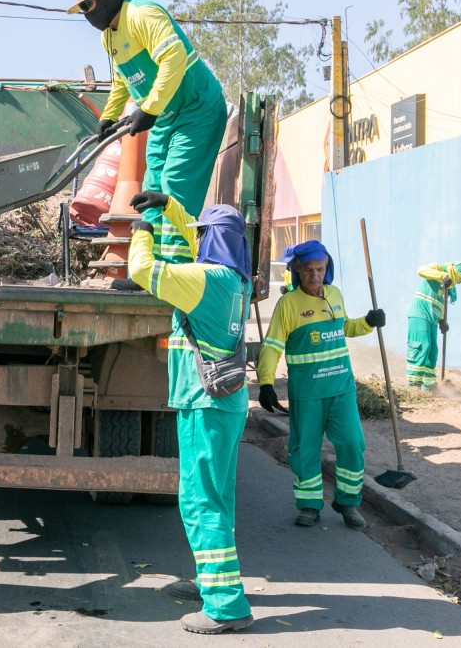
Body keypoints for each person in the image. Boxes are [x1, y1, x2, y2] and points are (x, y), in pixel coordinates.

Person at [127, 191, 254, 635]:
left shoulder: (203, 280)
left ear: (212, 240)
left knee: (200, 501)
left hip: (203, 403)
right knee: (218, 498)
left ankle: (225, 605)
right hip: (226, 404)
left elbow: (141, 270)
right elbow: (202, 238)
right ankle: (213, 582)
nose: (196, 241)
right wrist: (169, 206)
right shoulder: (238, 279)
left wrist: (141, 232)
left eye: (202, 235)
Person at [69, 0, 227, 265]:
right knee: (151, 189)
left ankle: (175, 268)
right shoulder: (109, 37)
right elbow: (123, 79)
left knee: (175, 184)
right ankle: (149, 268)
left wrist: (150, 108)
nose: (86, 14)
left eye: (87, 6)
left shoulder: (142, 14)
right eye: (82, 9)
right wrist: (109, 116)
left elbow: (174, 57)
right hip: (165, 117)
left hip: (197, 109)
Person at [256, 241, 384, 530]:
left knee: (352, 443)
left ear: (327, 269)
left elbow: (344, 327)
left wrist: (367, 322)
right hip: (307, 394)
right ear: (297, 271)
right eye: (308, 270)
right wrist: (266, 383)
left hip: (341, 388)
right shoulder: (288, 304)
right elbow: (272, 345)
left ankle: (347, 501)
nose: (315, 276)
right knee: (305, 449)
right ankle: (310, 505)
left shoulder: (334, 294)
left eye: (320, 269)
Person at [406, 261, 461, 389]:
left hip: (432, 319)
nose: (460, 282)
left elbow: (439, 303)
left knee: (432, 350)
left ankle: (428, 384)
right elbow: (421, 270)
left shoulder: (448, 286)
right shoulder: (438, 269)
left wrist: (442, 320)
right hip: (420, 314)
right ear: (458, 272)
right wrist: (443, 276)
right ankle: (414, 383)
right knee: (422, 346)